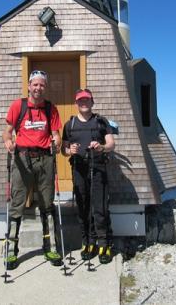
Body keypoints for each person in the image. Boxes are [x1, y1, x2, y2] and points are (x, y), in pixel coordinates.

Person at [2, 70, 62, 270]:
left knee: (47, 203)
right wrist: (8, 142)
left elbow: (55, 133)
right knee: (17, 202)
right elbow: (7, 132)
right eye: (35, 84)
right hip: (22, 158)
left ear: (45, 87)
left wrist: (57, 142)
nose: (38, 88)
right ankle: (11, 250)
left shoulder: (51, 109)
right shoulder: (17, 106)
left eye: (42, 85)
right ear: (29, 86)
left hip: (45, 158)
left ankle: (50, 247)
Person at [62, 88, 116, 264]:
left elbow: (111, 144)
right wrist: (70, 151)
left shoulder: (101, 121)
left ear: (92, 102)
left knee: (100, 207)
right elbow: (63, 149)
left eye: (87, 99)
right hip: (78, 169)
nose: (84, 102)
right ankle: (88, 242)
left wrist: (101, 147)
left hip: (98, 168)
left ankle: (105, 244)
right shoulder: (69, 125)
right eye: (80, 100)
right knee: (83, 207)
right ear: (76, 103)